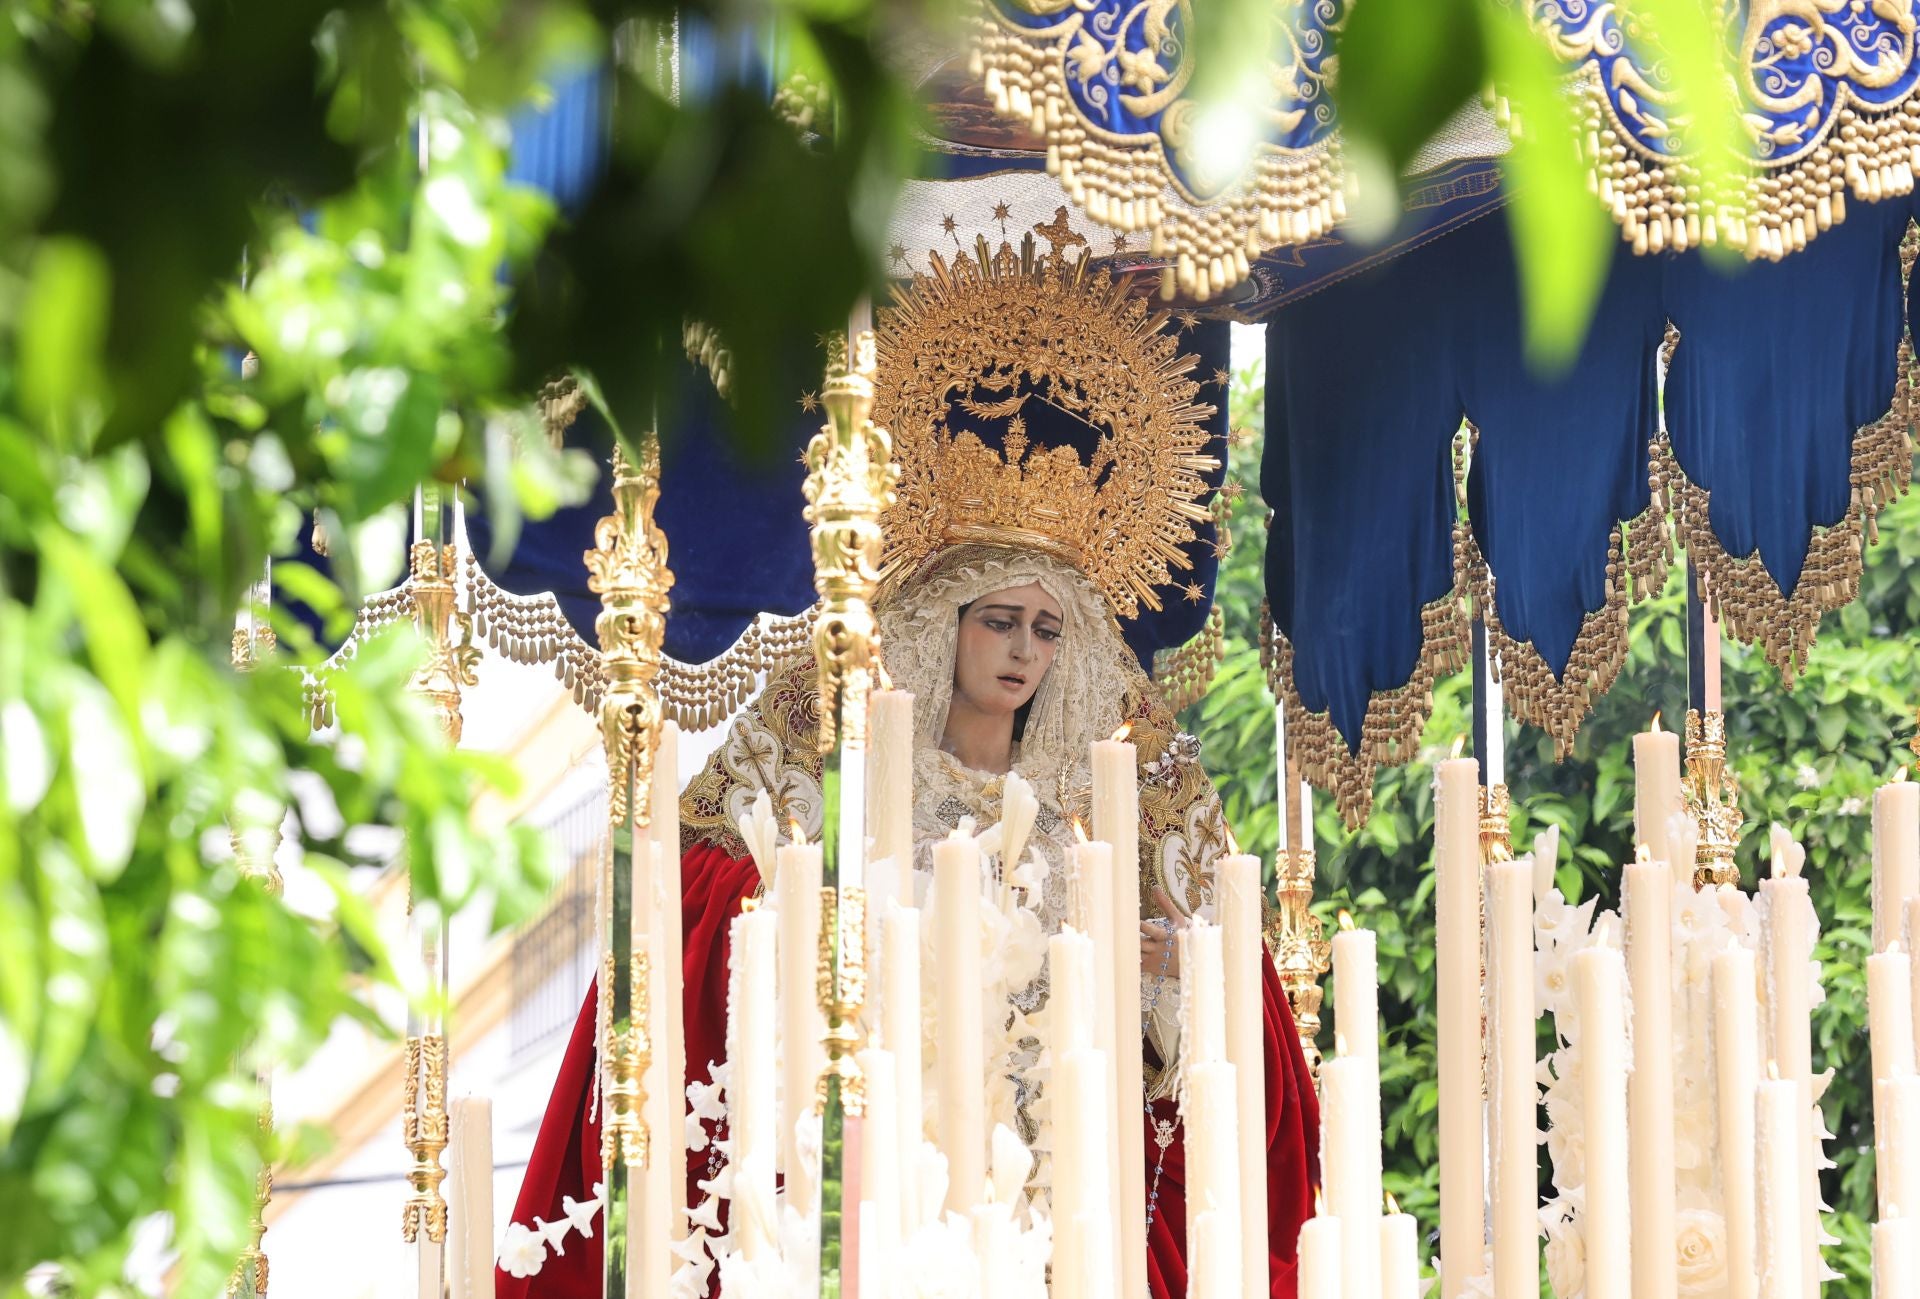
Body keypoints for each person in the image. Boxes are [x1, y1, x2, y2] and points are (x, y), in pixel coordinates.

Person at [496, 540, 1322, 1298]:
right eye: (999, 622)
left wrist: (1180, 964)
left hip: (1046, 1180)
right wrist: (791, 905)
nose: (1023, 649)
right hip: (876, 1153)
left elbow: (1207, 973)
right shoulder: (846, 775)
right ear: (947, 623)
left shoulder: (1091, 813)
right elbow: (693, 891)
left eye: (1045, 629)